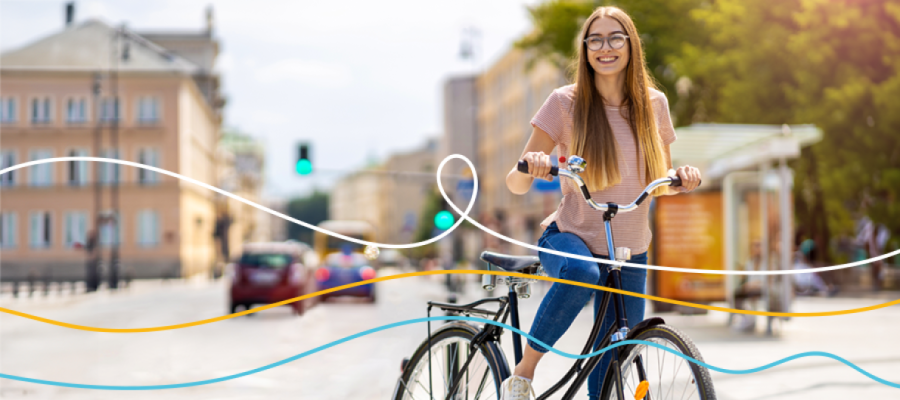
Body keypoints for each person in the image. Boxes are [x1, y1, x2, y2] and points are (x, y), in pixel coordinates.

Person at [501, 6, 701, 400]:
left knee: (612, 362)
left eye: (614, 38)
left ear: (631, 46)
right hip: (571, 236)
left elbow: (657, 182)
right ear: (585, 49)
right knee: (581, 272)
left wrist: (683, 180)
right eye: (595, 39)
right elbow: (515, 184)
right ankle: (522, 374)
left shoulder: (654, 104)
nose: (604, 47)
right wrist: (532, 166)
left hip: (630, 250)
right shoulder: (565, 103)